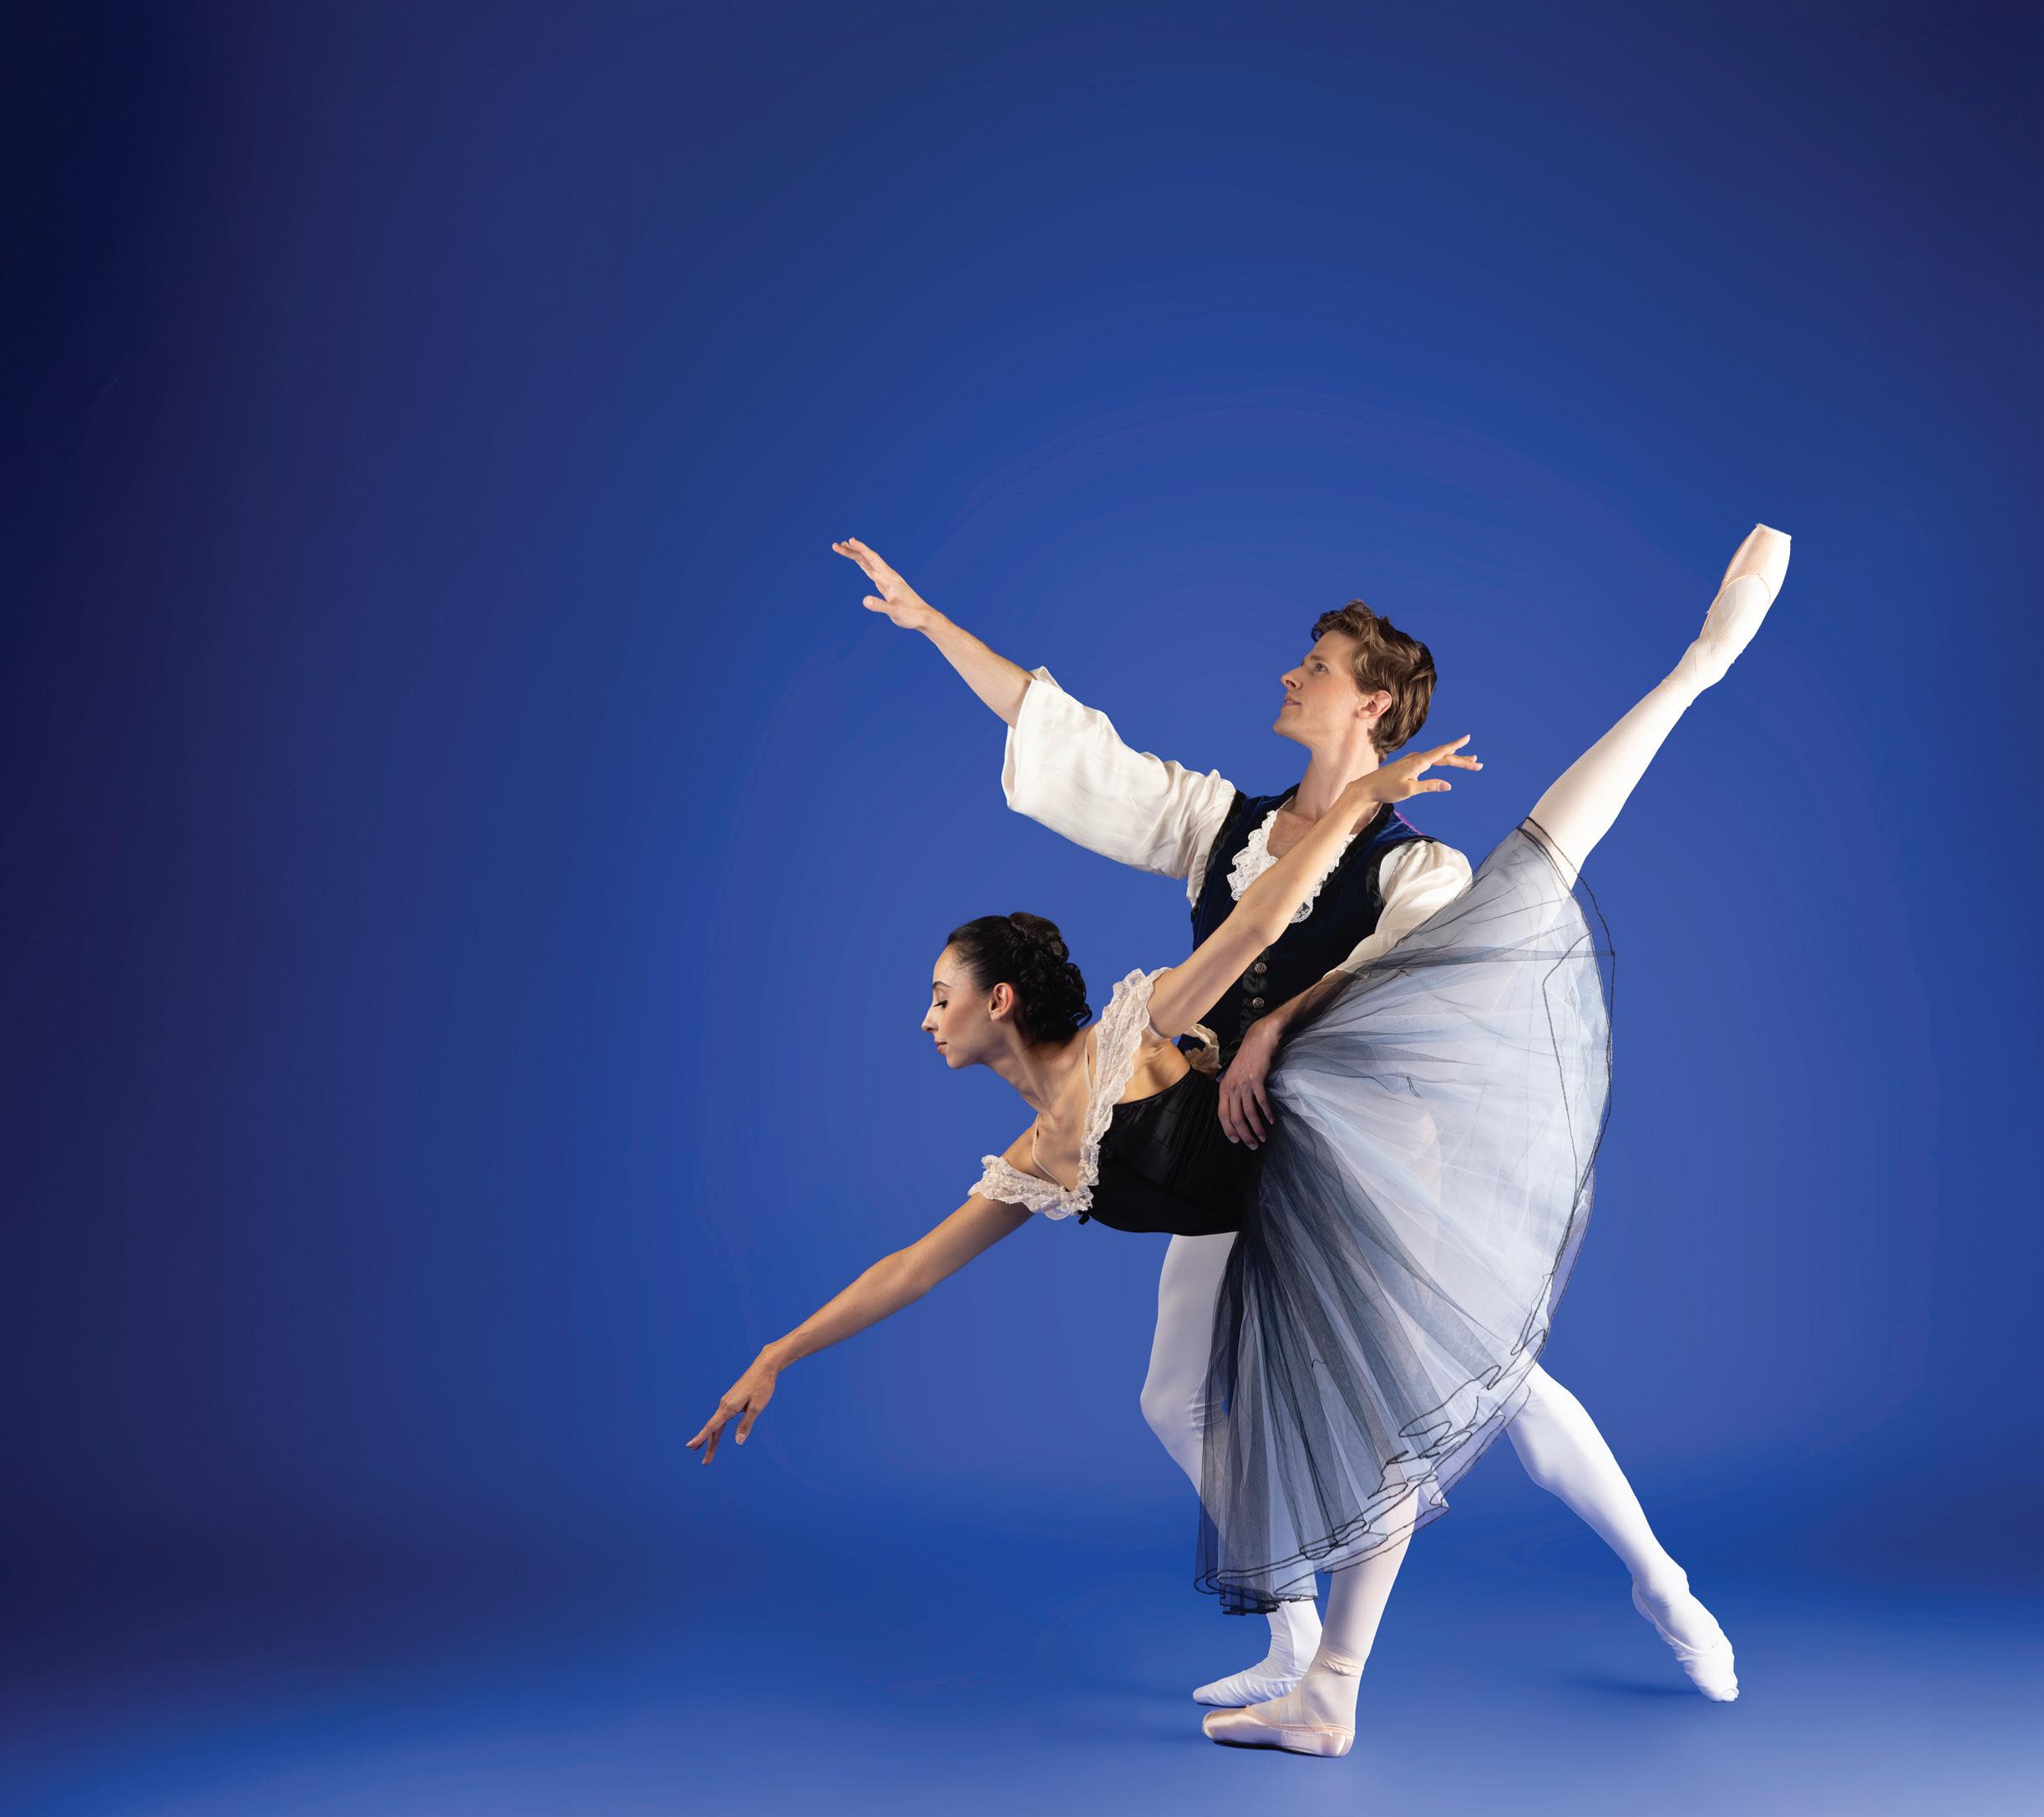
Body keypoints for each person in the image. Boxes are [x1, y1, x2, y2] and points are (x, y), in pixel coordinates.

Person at [692, 525, 1789, 1758]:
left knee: (1491, 1383)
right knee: (1176, 1395)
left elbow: (1407, 986)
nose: (1290, 674)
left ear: (1372, 705)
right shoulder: (1223, 826)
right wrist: (932, 623)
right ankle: (1294, 1625)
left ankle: (1656, 1584)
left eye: (1316, 666)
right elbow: (1079, 751)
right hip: (1210, 1145)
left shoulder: (1413, 864)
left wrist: (1272, 1025)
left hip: (1349, 1153)